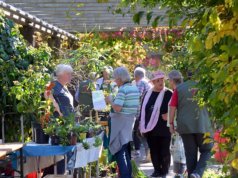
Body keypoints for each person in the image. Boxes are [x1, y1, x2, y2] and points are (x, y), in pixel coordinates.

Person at [169, 73, 213, 178]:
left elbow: (172, 107)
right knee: (207, 150)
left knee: (190, 154)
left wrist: (171, 123)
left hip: (185, 126)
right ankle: (197, 173)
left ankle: (193, 175)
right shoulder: (205, 88)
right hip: (203, 125)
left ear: (187, 77)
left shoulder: (179, 89)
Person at [105, 66, 140, 178]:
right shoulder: (134, 88)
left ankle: (125, 176)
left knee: (120, 152)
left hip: (120, 124)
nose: (115, 81)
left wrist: (110, 100)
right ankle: (128, 175)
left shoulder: (123, 89)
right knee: (125, 151)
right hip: (129, 123)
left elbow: (118, 108)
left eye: (115, 78)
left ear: (120, 78)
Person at [139, 70, 172, 178]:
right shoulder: (147, 94)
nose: (161, 82)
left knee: (164, 150)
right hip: (150, 128)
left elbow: (176, 108)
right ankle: (157, 171)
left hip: (164, 128)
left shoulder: (169, 93)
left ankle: (164, 172)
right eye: (158, 80)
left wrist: (169, 114)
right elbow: (142, 110)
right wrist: (141, 125)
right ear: (153, 82)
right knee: (154, 150)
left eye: (162, 80)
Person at [44, 64, 74, 175]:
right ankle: (57, 174)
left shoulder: (64, 87)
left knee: (66, 153)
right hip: (60, 124)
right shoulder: (54, 84)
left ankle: (60, 174)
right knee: (60, 154)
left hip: (68, 124)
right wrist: (55, 106)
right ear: (62, 75)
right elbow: (46, 92)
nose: (71, 76)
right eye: (69, 74)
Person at [133, 67, 152, 159]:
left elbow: (137, 96)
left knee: (138, 132)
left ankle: (147, 151)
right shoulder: (148, 82)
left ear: (136, 76)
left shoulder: (140, 83)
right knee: (143, 132)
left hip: (141, 112)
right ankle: (148, 152)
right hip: (149, 111)